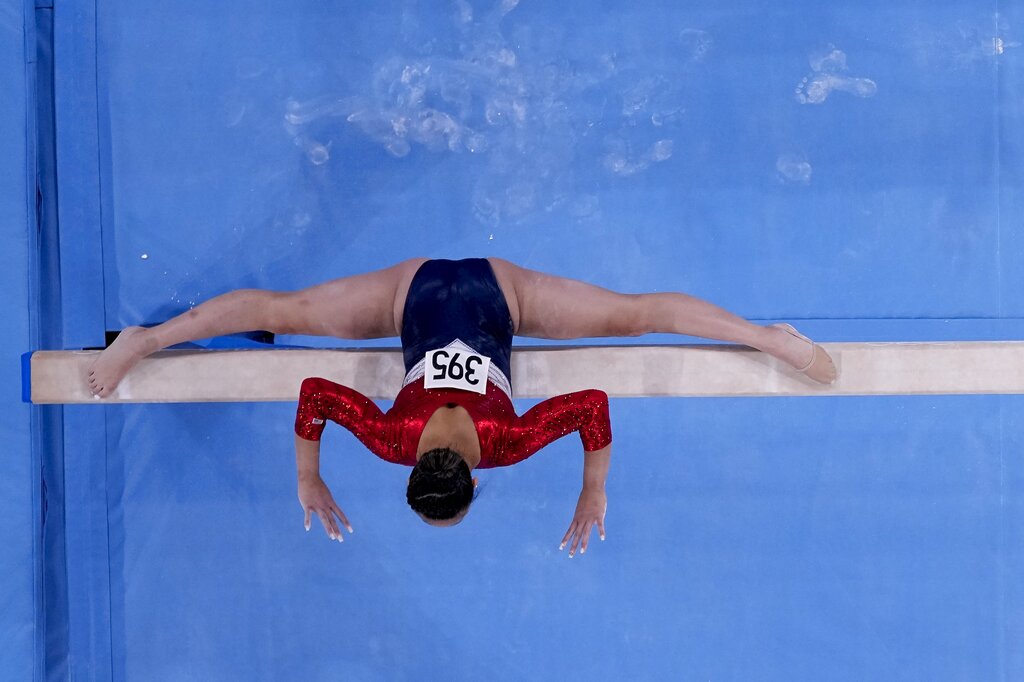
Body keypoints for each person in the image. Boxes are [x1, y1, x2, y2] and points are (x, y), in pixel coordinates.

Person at [86, 257, 835, 557]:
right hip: (418, 291)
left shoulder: (507, 441)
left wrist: (593, 490)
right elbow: (313, 400)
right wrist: (308, 478)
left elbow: (593, 411)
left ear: (473, 482)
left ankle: (147, 340)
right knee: (280, 310)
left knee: (632, 315)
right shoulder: (388, 437)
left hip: (496, 300)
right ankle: (761, 335)